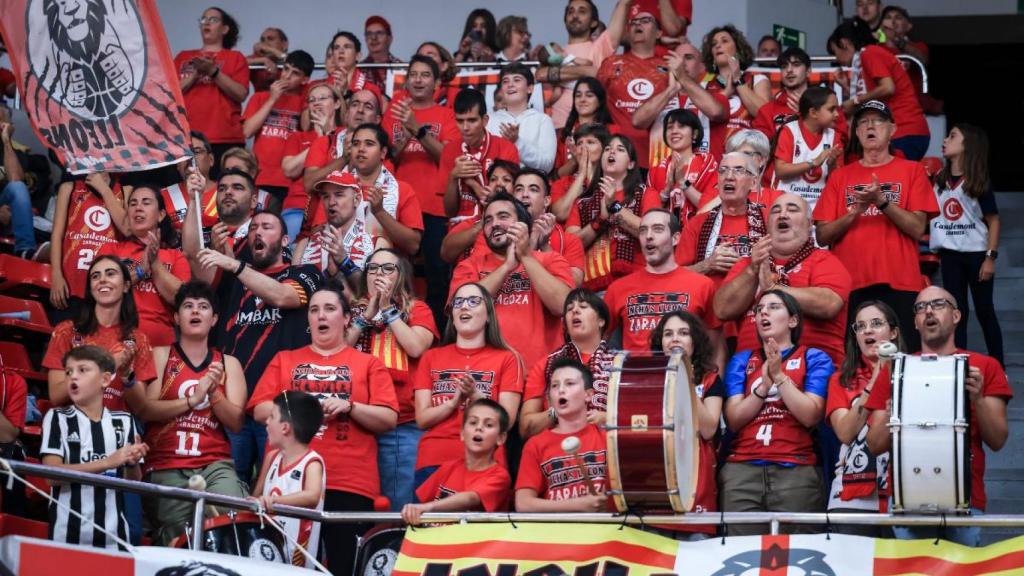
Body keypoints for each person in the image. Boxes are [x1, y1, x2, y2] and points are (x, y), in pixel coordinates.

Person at [250, 284, 397, 575]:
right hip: (288, 482)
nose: (321, 316)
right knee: (283, 568)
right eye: (314, 310)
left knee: (344, 567)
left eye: (330, 309)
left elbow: (389, 417)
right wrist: (307, 407)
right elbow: (258, 409)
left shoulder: (369, 363)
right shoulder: (285, 359)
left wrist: (350, 406)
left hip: (349, 482)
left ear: (346, 318)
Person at [866, 286, 1012, 547]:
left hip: (965, 501)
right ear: (915, 322)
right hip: (906, 501)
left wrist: (977, 400)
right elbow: (875, 445)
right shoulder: (895, 369)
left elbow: (998, 439)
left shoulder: (986, 366)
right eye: (921, 307)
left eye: (938, 304)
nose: (929, 311)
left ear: (956, 316)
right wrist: (893, 412)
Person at [195, 211, 323, 484]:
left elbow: (283, 296)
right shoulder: (233, 280)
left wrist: (236, 265)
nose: (257, 232)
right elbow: (196, 276)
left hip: (279, 406)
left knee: (276, 489)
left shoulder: (304, 272)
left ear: (285, 240)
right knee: (225, 487)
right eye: (252, 228)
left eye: (267, 227)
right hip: (232, 405)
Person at [813, 100, 938, 351]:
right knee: (854, 361)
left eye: (877, 121)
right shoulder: (840, 177)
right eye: (863, 122)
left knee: (903, 358)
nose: (870, 126)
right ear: (857, 133)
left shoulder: (912, 171)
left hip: (900, 282)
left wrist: (882, 202)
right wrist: (854, 213)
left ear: (892, 130)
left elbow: (917, 227)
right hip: (851, 285)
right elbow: (823, 235)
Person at [142, 281, 247, 545]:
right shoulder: (161, 355)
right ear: (176, 317)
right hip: (166, 461)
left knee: (231, 513)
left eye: (203, 306)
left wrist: (214, 395)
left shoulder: (229, 363)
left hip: (214, 463)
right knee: (177, 533)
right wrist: (193, 400)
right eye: (188, 306)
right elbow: (146, 410)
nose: (196, 311)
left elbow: (236, 422)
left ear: (214, 319)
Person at [722, 290, 832, 535]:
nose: (763, 312)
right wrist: (763, 387)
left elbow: (811, 415)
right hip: (741, 470)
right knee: (740, 555)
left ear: (792, 320)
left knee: (797, 556)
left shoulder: (814, 357)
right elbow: (733, 420)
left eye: (773, 307)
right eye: (759, 309)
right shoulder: (742, 360)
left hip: (796, 469)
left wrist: (779, 377)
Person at [346, 249, 438, 510]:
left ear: (401, 276)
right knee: (358, 504)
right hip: (356, 421)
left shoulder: (417, 308)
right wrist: (364, 319)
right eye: (373, 269)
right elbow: (337, 353)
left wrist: (387, 309)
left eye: (388, 269)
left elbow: (416, 347)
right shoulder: (354, 311)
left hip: (401, 424)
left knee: (398, 508)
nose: (379, 275)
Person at [716, 193, 851, 363]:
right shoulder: (749, 264)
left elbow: (829, 304)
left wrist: (773, 289)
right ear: (767, 224)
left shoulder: (824, 260)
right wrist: (753, 269)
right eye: (776, 211)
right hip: (749, 372)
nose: (783, 214)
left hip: (812, 372)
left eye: (792, 210)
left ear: (810, 225)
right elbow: (722, 309)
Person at [451, 191, 575, 370]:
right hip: (486, 376)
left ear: (522, 225)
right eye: (488, 220)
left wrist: (525, 256)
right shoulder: (468, 266)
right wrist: (506, 267)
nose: (495, 224)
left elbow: (561, 305)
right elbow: (464, 308)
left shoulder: (550, 260)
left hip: (540, 374)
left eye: (503, 217)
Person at [414, 283, 523, 483]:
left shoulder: (507, 358)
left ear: (489, 314)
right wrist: (453, 403)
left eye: (474, 301)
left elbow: (507, 419)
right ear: (452, 317)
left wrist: (475, 395)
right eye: (458, 302)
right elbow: (422, 419)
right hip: (435, 458)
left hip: (486, 462)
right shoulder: (431, 357)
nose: (465, 306)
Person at [41, 345, 147, 550]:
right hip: (66, 536)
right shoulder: (57, 418)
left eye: (83, 370)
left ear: (105, 380)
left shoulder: (124, 421)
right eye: (69, 372)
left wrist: (132, 463)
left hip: (114, 538)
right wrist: (107, 462)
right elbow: (50, 475)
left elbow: (134, 482)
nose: (73, 377)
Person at [825, 300, 902, 537]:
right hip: (850, 501)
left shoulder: (913, 372)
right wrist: (875, 381)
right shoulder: (841, 380)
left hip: (904, 496)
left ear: (894, 332)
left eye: (876, 324)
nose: (867, 330)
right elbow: (846, 433)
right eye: (860, 326)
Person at [930, 125, 1003, 366]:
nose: (945, 140)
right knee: (956, 313)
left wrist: (990, 257)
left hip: (977, 255)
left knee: (984, 311)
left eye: (953, 136)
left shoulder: (977, 180)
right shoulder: (939, 178)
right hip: (950, 256)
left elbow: (993, 220)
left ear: (967, 145)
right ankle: (957, 363)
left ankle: (998, 366)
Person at [44, 256, 154, 414]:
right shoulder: (66, 331)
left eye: (110, 274)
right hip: (74, 428)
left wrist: (126, 376)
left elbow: (140, 408)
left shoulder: (139, 339)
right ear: (91, 288)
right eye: (95, 276)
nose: (102, 280)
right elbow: (56, 396)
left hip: (117, 430)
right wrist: (106, 365)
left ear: (126, 286)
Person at [650, 311, 724, 538]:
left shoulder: (710, 379)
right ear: (660, 342)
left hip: (696, 488)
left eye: (683, 333)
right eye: (668, 334)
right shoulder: (647, 378)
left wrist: (687, 379)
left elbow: (709, 428)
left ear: (695, 341)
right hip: (656, 487)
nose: (674, 339)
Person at [605, 209, 719, 354]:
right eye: (643, 231)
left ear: (675, 238)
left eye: (658, 229)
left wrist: (714, 377)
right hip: (635, 375)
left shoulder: (703, 285)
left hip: (685, 374)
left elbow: (716, 347)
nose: (649, 236)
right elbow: (599, 342)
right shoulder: (617, 289)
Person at [97, 186, 190, 347]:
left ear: (161, 215)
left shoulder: (176, 256)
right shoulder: (111, 250)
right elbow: (102, 289)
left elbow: (181, 299)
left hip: (161, 346)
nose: (138, 208)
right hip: (115, 339)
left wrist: (154, 264)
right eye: (133, 204)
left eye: (146, 203)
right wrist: (140, 269)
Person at [827, 18, 930, 160]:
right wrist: (847, 88)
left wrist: (855, 101)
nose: (837, 59)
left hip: (904, 130)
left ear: (844, 43)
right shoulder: (869, 55)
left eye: (835, 52)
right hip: (904, 131)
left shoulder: (870, 53)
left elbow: (888, 88)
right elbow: (875, 94)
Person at [566, 134, 656, 292]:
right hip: (593, 287)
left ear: (631, 164)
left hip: (636, 283)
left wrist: (614, 207)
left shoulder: (647, 194)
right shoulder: (582, 202)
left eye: (620, 149)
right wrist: (601, 219)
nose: (611, 152)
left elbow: (652, 233)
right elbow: (572, 244)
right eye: (607, 149)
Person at [515, 358, 607, 512]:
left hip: (607, 533)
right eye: (555, 386)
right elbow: (523, 504)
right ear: (549, 397)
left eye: (570, 383)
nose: (561, 390)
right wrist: (578, 506)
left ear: (588, 395)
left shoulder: (607, 438)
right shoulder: (536, 445)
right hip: (557, 533)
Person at [519, 288, 612, 439]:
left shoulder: (621, 364)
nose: (575, 310)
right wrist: (558, 411)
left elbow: (639, 421)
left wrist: (608, 418)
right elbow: (526, 427)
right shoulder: (546, 364)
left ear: (601, 321)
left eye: (583, 307)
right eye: (569, 309)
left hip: (606, 452)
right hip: (559, 451)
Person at [402, 399, 512, 524]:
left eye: (489, 425)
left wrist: (428, 508)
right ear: (462, 433)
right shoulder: (448, 468)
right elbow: (421, 502)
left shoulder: (500, 476)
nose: (479, 428)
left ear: (501, 438)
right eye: (473, 422)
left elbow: (471, 498)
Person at [251, 391, 325, 568]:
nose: (266, 422)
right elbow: (257, 497)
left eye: (272, 417)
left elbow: (312, 496)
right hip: (267, 554)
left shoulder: (312, 462)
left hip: (297, 563)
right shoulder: (271, 458)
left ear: (285, 427)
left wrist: (275, 501)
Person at [675, 152, 769, 290]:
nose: (729, 177)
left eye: (738, 170)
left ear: (754, 183)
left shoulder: (768, 220)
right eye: (723, 171)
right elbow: (676, 277)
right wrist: (707, 265)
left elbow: (780, 270)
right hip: (706, 303)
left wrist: (746, 267)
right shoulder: (697, 223)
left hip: (757, 306)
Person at [631, 41, 727, 168]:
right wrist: (671, 90)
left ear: (702, 66)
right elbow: (637, 121)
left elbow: (715, 112)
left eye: (688, 57)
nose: (681, 63)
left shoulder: (714, 94)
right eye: (677, 59)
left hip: (702, 178)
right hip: (661, 179)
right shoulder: (661, 96)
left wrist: (682, 76)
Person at [174, 7, 250, 168]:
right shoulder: (183, 57)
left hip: (224, 138)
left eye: (213, 19)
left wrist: (213, 72)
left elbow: (241, 93)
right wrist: (195, 76)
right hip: (186, 137)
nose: (206, 23)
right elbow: (169, 94)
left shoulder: (235, 57)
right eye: (203, 19)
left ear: (225, 28)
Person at [596, 4, 669, 169]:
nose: (638, 24)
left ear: (658, 33)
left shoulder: (670, 67)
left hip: (657, 157)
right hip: (616, 155)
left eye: (645, 20)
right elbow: (595, 103)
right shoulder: (610, 63)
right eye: (633, 22)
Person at [537, 0, 629, 129]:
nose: (575, 15)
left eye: (582, 11)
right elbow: (540, 74)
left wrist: (558, 73)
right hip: (555, 128)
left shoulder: (600, 46)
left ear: (593, 22)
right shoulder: (556, 52)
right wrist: (586, 70)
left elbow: (623, 4)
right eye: (571, 11)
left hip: (588, 130)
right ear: (565, 20)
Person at [241, 50, 314, 214]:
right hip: (261, 177)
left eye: (295, 73)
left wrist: (308, 93)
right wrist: (272, 99)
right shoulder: (260, 98)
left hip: (291, 180)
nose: (287, 76)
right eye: (286, 69)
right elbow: (247, 131)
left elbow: (308, 127)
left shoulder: (305, 100)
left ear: (305, 79)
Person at [49, 173, 130, 317]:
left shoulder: (126, 190)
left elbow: (127, 229)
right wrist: (56, 276)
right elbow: (56, 235)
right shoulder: (69, 187)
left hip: (107, 285)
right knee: (66, 336)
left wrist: (104, 189)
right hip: (70, 284)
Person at [301, 88, 382, 224]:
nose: (360, 110)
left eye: (368, 106)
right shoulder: (325, 142)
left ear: (377, 119)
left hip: (366, 224)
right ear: (346, 114)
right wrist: (344, 158)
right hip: (320, 225)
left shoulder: (381, 150)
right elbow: (309, 184)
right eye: (355, 104)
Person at [441, 89, 520, 224]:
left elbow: (512, 201)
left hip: (497, 223)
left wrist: (476, 186)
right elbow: (449, 211)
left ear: (485, 120)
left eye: (472, 120)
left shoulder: (506, 148)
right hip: (459, 226)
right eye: (460, 121)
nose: (465, 127)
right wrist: (454, 177)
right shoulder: (449, 150)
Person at [347, 123, 425, 256]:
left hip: (385, 269)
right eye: (356, 144)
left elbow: (413, 245)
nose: (361, 149)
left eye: (369, 144)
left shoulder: (403, 190)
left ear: (383, 153)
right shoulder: (337, 186)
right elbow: (319, 234)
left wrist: (379, 212)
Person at [281, 83, 344, 242]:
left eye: (323, 98)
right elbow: (289, 170)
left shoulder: (345, 135)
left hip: (336, 205)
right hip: (299, 206)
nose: (316, 103)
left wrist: (328, 134)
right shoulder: (298, 137)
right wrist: (319, 138)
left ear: (337, 103)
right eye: (312, 100)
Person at [772, 86, 845, 212]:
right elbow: (780, 171)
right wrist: (813, 163)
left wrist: (832, 164)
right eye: (831, 109)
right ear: (813, 112)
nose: (837, 114)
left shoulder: (835, 137)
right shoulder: (790, 131)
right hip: (785, 204)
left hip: (820, 208)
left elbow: (838, 182)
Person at [293, 171, 371, 287]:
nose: (331, 202)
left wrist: (344, 261)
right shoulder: (305, 242)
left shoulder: (374, 242)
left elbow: (372, 291)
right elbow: (293, 287)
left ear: (357, 199)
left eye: (339, 194)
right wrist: (329, 273)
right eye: (326, 196)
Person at [439, 160, 522, 265]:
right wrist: (482, 224)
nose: (499, 184)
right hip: (469, 278)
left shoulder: (523, 221)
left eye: (506, 180)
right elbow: (445, 252)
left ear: (517, 189)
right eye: (493, 179)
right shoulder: (475, 222)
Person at [646, 109, 719, 225]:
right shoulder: (656, 170)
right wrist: (666, 190)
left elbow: (712, 205)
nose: (674, 131)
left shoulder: (707, 165)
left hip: (698, 233)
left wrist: (682, 182)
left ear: (694, 134)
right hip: (665, 238)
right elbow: (649, 214)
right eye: (670, 127)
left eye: (681, 126)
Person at [699, 25, 772, 132]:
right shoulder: (704, 86)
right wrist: (725, 93)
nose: (718, 45)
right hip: (714, 147)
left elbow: (765, 115)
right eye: (714, 44)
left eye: (724, 41)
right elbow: (698, 122)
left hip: (748, 146)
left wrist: (738, 80)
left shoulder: (758, 80)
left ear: (738, 49)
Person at [181, 168, 258, 269]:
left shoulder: (264, 232)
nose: (228, 192)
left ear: (253, 201)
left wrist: (231, 263)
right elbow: (191, 258)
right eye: (222, 189)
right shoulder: (202, 226)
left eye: (237, 187)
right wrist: (194, 198)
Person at [488, 64, 557, 173]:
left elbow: (547, 165)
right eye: (505, 81)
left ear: (530, 88)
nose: (510, 85)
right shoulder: (490, 120)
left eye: (517, 80)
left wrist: (517, 142)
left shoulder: (543, 120)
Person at [555, 78, 615, 179]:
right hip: (568, 189)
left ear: (600, 101)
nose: (582, 100)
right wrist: (574, 161)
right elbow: (557, 176)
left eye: (589, 95)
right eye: (578, 95)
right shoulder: (565, 133)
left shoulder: (612, 130)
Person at [550, 123, 610, 222]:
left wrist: (590, 177)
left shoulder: (612, 180)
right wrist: (581, 176)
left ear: (604, 149)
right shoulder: (561, 183)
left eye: (590, 142)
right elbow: (560, 215)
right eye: (579, 143)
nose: (583, 147)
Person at [751, 47, 811, 140]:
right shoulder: (768, 110)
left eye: (796, 64)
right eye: (784, 66)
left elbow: (837, 137)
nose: (789, 70)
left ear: (808, 71)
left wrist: (806, 114)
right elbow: (759, 145)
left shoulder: (824, 101)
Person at [0, 119, 37, 260]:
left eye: (3, 123)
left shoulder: (15, 152)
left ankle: (24, 250)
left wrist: (6, 142)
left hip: (6, 212)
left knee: (18, 188)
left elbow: (16, 179)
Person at [362, 16, 403, 90]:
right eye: (369, 34)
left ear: (389, 39)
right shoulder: (359, 70)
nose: (373, 38)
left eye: (379, 33)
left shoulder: (401, 68)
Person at [247, 27, 288, 92]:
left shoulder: (290, 59)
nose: (265, 42)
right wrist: (263, 60)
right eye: (263, 40)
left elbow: (290, 60)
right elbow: (238, 61)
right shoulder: (258, 58)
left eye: (270, 39)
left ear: (284, 44)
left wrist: (269, 49)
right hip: (261, 100)